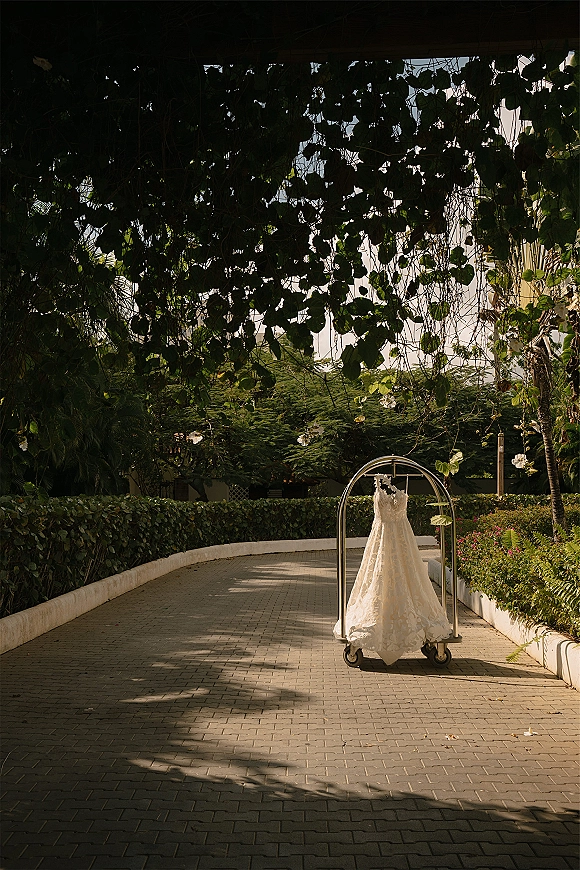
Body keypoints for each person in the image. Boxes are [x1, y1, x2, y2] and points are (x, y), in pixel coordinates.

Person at [334, 475, 451, 665]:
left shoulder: (405, 481)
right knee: (379, 582)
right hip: (381, 538)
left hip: (403, 538)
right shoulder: (377, 483)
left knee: (410, 580)